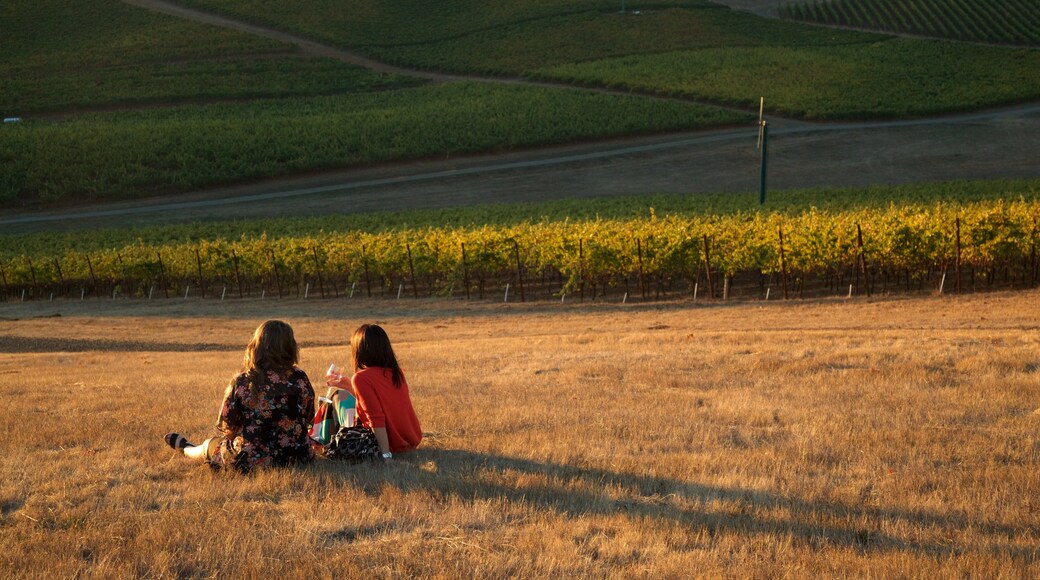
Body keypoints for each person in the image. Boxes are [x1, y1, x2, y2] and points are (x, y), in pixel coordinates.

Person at [163, 320, 315, 473]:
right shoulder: (300, 378)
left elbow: (229, 427)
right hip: (298, 456)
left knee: (210, 445)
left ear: (257, 346)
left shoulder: (242, 381)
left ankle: (186, 448)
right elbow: (308, 418)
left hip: (251, 460)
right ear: (290, 347)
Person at [326, 323, 421, 462]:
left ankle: (323, 440)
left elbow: (376, 418)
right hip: (411, 439)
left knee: (337, 399)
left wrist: (386, 455)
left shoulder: (362, 378)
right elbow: (382, 404)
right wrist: (349, 386)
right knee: (342, 395)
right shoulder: (395, 372)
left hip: (389, 444)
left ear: (359, 351)